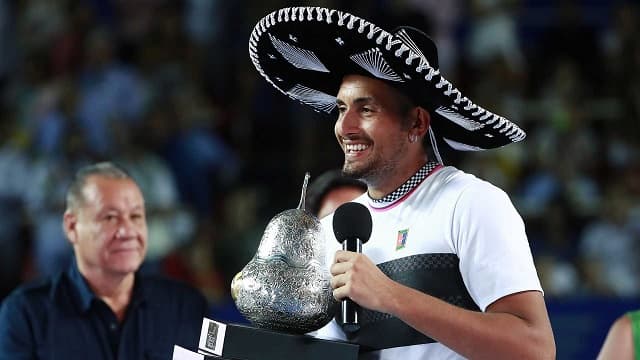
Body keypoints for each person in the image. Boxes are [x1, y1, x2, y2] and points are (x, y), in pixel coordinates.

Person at [248, 6, 555, 359]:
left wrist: (390, 296)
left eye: (366, 109)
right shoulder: (330, 230)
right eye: (340, 108)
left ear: (416, 125)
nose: (345, 127)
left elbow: (535, 349)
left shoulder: (471, 203)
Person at [0, 162, 208, 359]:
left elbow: (229, 351)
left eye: (136, 216)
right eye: (109, 217)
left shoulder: (185, 305)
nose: (127, 231)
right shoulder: (26, 314)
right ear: (72, 227)